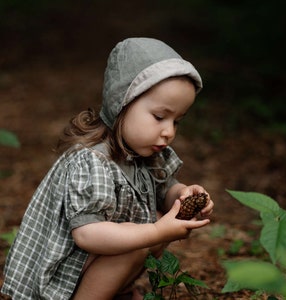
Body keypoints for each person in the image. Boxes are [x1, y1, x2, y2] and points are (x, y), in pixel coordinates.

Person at [1, 37, 214, 300]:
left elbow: (164, 188)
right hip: (65, 273)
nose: (169, 131)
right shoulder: (91, 161)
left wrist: (182, 195)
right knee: (140, 239)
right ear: (121, 104)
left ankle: (117, 291)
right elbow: (88, 236)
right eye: (159, 117)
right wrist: (157, 232)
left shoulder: (144, 150)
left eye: (177, 121)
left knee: (154, 221)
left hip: (96, 261)